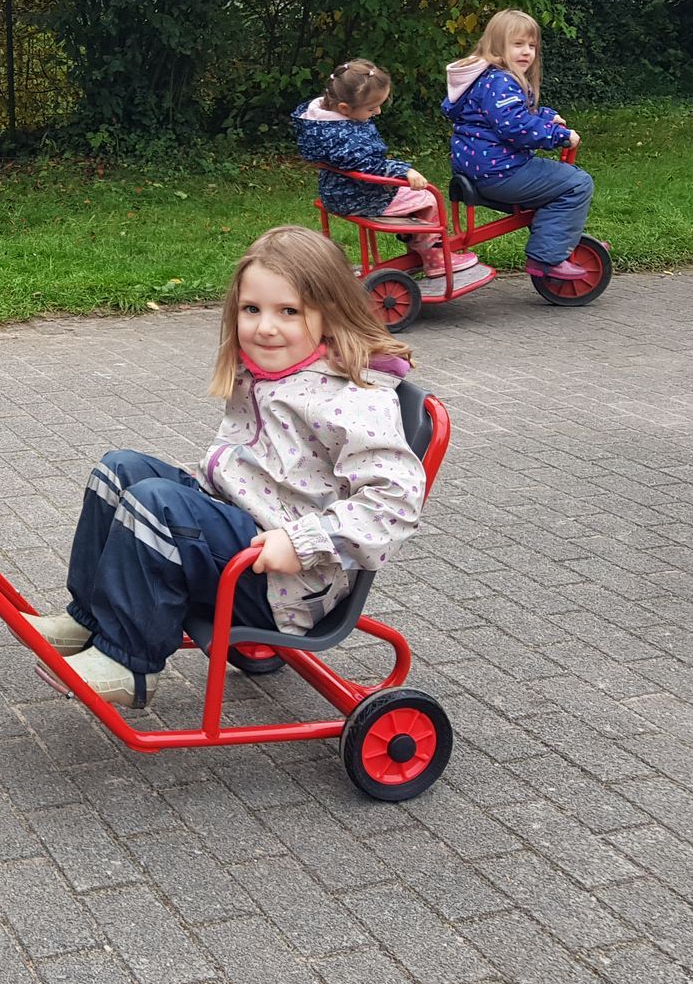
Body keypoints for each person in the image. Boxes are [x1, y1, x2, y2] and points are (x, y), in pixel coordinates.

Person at [23, 225, 427, 707]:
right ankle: (88, 618)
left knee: (157, 503)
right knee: (122, 469)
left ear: (330, 312)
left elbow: (396, 503)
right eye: (251, 309)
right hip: (242, 542)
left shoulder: (352, 400)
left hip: (284, 583)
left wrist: (303, 542)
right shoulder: (265, 374)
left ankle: (128, 661)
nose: (265, 327)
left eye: (289, 311)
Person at [442, 9, 595, 281]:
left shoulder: (485, 78)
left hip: (477, 169)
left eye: (532, 46)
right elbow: (515, 126)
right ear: (497, 46)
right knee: (577, 183)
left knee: (557, 183)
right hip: (501, 172)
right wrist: (558, 135)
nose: (526, 52)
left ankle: (557, 240)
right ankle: (546, 257)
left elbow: (508, 114)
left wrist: (546, 116)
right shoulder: (501, 81)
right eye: (518, 44)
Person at [292, 58, 478, 276]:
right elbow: (369, 166)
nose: (378, 111)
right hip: (359, 196)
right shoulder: (344, 136)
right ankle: (436, 260)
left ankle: (418, 250)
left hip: (337, 191)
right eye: (371, 108)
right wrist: (404, 170)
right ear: (344, 108)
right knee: (428, 198)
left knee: (415, 197)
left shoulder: (322, 124)